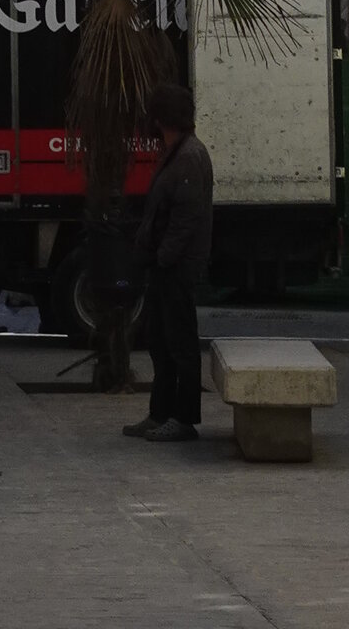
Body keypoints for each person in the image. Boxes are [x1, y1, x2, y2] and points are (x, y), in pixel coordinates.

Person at [123, 82, 213, 444]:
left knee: (179, 343)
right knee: (160, 342)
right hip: (165, 267)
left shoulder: (189, 156)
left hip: (176, 268)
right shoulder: (176, 151)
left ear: (162, 119)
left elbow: (185, 219)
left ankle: (183, 418)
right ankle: (160, 413)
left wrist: (162, 258)